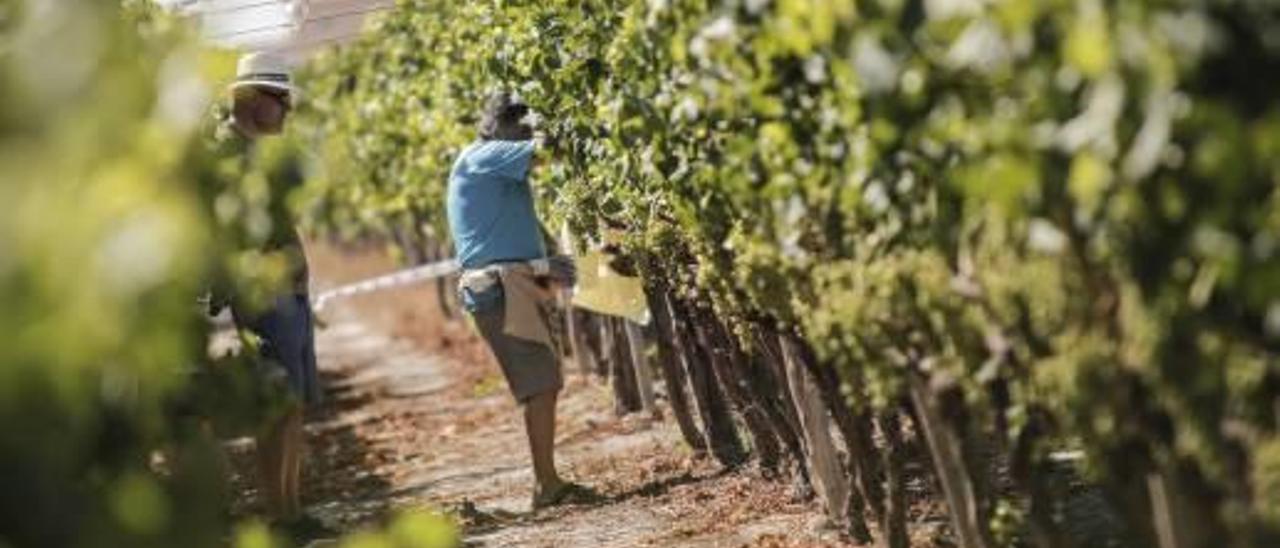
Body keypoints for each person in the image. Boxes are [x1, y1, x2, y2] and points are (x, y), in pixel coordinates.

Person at [446, 91, 598, 510]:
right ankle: (546, 486)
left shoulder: (497, 170)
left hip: (514, 285)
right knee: (540, 384)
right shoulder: (486, 154)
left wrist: (549, 259)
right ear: (501, 125)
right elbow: (549, 149)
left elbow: (514, 226)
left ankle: (547, 482)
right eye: (523, 128)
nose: (527, 138)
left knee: (545, 381)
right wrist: (581, 121)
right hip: (501, 290)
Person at [210, 52, 326, 535]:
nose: (288, 111)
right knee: (277, 403)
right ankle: (280, 515)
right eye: (281, 101)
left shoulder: (257, 151)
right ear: (253, 98)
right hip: (263, 294)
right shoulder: (225, 153)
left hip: (288, 295)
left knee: (293, 403)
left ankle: (293, 511)